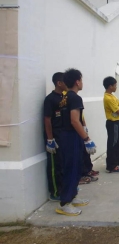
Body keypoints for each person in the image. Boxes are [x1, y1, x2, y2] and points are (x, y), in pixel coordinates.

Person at [56, 68, 96, 216]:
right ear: (77, 81)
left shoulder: (65, 97)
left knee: (76, 167)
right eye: (81, 80)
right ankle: (65, 203)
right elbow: (74, 120)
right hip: (71, 136)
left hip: (67, 136)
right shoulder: (74, 98)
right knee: (71, 169)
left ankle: (72, 196)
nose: (82, 82)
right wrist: (87, 139)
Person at [44, 72, 67, 201]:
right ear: (59, 83)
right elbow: (47, 119)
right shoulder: (50, 99)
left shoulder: (64, 98)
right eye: (65, 81)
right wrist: (50, 139)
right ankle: (55, 192)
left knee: (63, 163)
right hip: (54, 136)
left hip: (63, 135)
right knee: (54, 165)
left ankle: (63, 187)